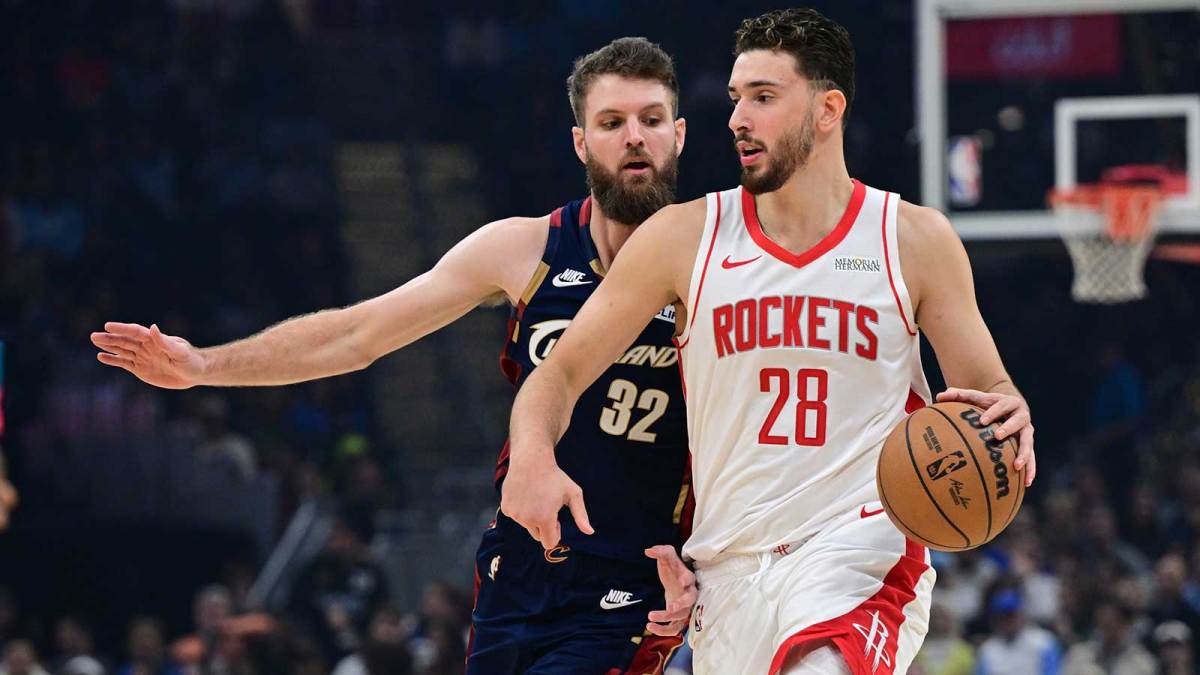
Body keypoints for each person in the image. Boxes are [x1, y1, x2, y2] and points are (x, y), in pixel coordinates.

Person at [92, 37, 695, 674]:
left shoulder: (714, 264)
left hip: (637, 574)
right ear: (580, 142)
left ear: (678, 135)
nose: (634, 137)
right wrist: (206, 366)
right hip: (520, 567)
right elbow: (359, 334)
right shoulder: (525, 248)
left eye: (651, 120)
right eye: (612, 122)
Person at [503, 8, 1037, 675]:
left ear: (827, 108)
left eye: (763, 97)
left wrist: (1011, 410)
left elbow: (986, 389)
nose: (737, 119)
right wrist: (530, 454)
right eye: (734, 99)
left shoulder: (913, 240)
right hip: (728, 576)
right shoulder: (683, 238)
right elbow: (559, 373)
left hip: (859, 556)